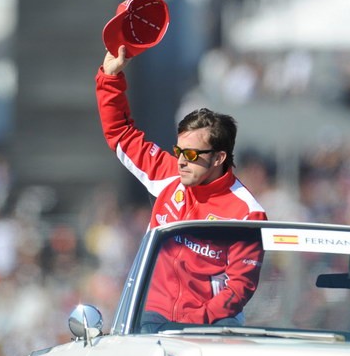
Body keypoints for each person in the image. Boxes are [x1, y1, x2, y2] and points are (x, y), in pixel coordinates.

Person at [97, 41, 267, 329]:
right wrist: (110, 77)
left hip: (210, 328)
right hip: (150, 316)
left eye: (190, 154)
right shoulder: (169, 174)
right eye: (178, 152)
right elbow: (121, 134)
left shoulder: (247, 212)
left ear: (219, 158)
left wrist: (194, 320)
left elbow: (240, 286)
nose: (181, 162)